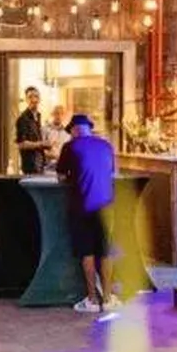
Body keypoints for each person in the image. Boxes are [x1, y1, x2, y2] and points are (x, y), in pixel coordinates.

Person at [56, 113, 118, 313]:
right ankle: (107, 299)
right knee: (105, 252)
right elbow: (112, 173)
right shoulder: (107, 145)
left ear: (74, 130)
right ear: (89, 128)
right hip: (106, 205)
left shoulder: (70, 147)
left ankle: (91, 300)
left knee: (87, 252)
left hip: (81, 205)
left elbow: (60, 176)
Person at [15, 87, 50, 174]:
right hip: (30, 167)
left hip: (40, 165)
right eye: (30, 97)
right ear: (26, 100)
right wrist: (41, 144)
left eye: (36, 96)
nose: (34, 99)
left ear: (39, 99)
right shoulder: (22, 119)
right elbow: (21, 144)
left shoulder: (38, 116)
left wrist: (46, 145)